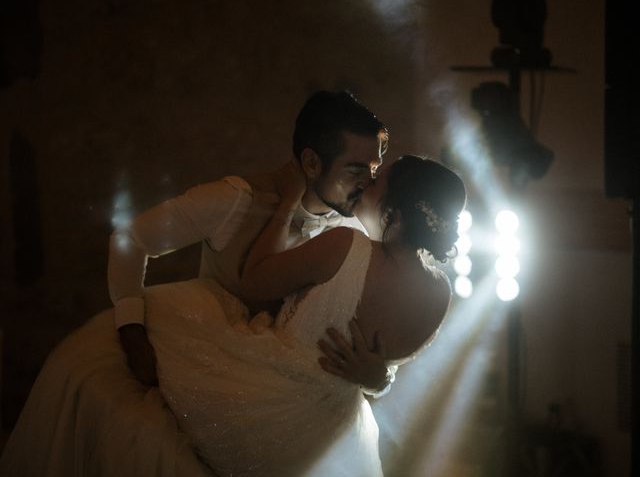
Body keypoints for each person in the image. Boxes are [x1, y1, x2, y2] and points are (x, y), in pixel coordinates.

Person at [0, 154, 466, 476]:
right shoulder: (439, 295)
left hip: (258, 402)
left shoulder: (349, 246)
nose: (367, 183)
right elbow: (380, 371)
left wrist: (285, 202)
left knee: (116, 358)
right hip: (331, 442)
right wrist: (379, 379)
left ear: (398, 209)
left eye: (379, 181)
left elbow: (254, 280)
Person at [110, 90, 391, 392]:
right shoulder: (236, 200)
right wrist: (132, 333)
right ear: (311, 162)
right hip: (202, 374)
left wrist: (380, 380)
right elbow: (131, 238)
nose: (368, 183)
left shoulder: (354, 234)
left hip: (287, 398)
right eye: (356, 170)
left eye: (374, 170)